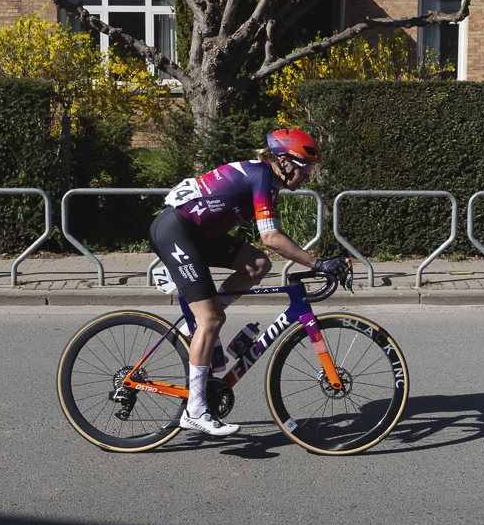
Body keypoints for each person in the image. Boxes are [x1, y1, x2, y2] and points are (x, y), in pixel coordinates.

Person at [149, 127, 350, 438]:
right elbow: (271, 237)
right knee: (212, 319)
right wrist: (318, 263)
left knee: (258, 265)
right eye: (305, 169)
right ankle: (196, 411)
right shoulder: (262, 176)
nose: (308, 176)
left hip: (198, 235)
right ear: (285, 163)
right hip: (177, 232)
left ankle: (200, 317)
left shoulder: (265, 178)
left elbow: (267, 244)